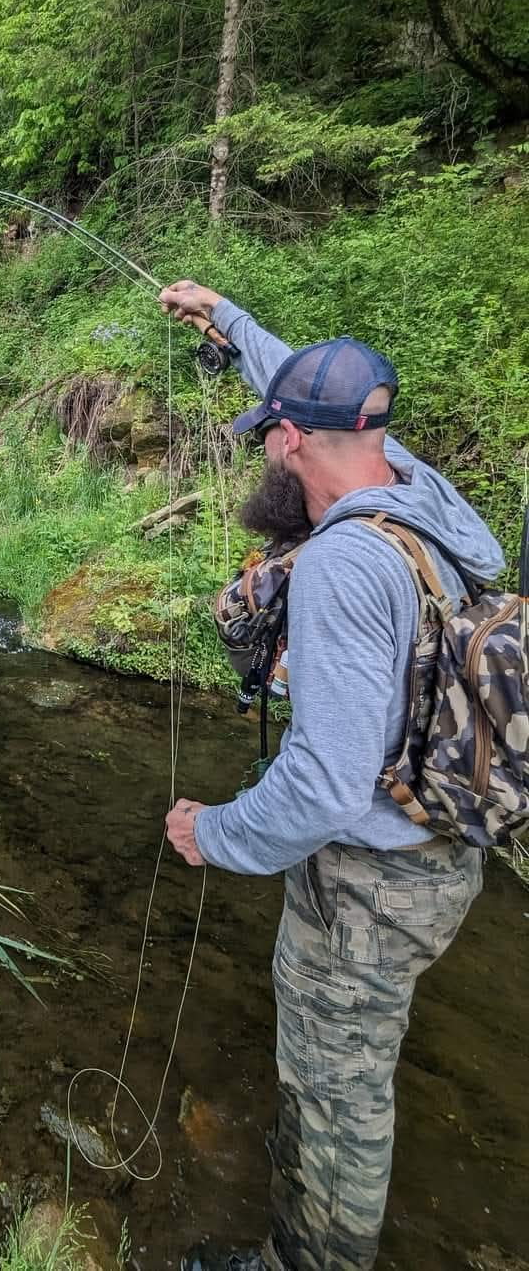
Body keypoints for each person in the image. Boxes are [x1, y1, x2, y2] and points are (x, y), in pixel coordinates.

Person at [157, 280, 504, 1271]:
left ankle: (305, 1261)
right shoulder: (422, 494)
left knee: (336, 1097)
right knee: (344, 1074)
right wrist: (228, 321)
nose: (267, 447)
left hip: (369, 889)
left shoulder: (345, 566)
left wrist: (213, 832)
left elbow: (321, 784)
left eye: (271, 434)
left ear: (287, 443)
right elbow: (314, 395)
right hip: (442, 854)